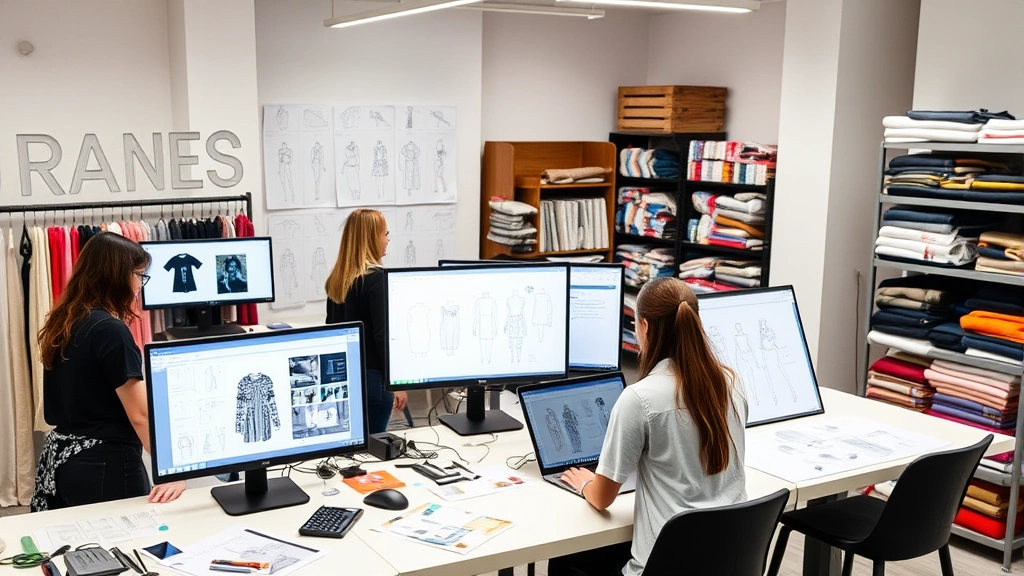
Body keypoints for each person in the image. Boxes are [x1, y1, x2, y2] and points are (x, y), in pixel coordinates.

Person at [549, 277, 748, 576]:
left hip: (662, 567)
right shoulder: (730, 382)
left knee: (564, 560)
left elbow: (602, 499)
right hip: (725, 561)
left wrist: (585, 483)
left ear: (644, 327)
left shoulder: (639, 399)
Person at [32, 232, 187, 511]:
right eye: (140, 275)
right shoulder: (110, 331)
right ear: (118, 275)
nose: (140, 285)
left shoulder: (65, 319)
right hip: (107, 466)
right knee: (129, 544)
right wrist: (172, 470)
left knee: (85, 550)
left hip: (67, 464)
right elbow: (139, 415)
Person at [325, 209, 407, 434]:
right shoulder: (377, 279)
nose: (388, 239)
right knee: (374, 446)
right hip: (374, 381)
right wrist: (397, 383)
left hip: (345, 377)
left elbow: (331, 330)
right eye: (385, 233)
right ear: (372, 237)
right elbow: (382, 336)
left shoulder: (338, 279)